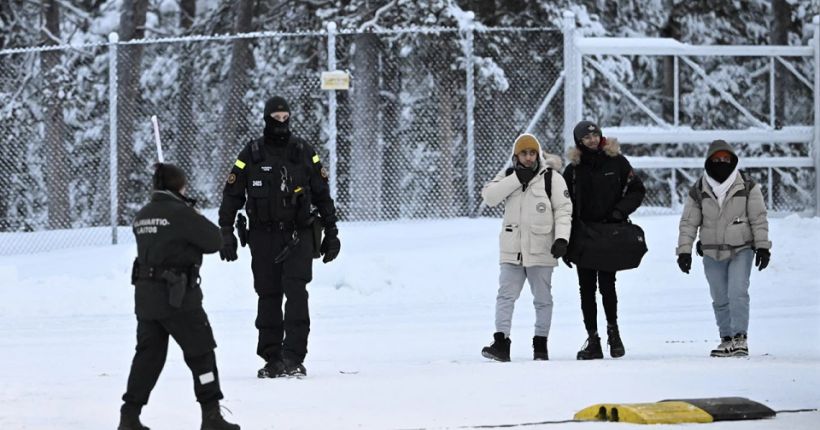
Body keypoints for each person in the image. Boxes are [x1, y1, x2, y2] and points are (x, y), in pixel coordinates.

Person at [218, 96, 341, 378]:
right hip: (262, 236)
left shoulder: (302, 151)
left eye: (285, 118)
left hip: (298, 236)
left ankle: (294, 357)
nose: (281, 123)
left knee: (296, 294)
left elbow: (322, 194)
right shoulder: (251, 153)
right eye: (276, 118)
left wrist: (332, 232)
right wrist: (225, 232)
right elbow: (232, 195)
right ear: (266, 118)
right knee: (268, 296)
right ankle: (273, 358)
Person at [119, 163, 239, 430]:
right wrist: (192, 213)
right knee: (202, 353)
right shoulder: (180, 214)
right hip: (178, 297)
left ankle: (129, 415)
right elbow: (214, 241)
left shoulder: (143, 215)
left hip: (146, 297)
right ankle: (211, 416)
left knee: (147, 358)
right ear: (180, 187)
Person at [479, 134, 573, 362]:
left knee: (542, 299)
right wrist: (515, 179)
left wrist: (562, 239)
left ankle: (540, 344)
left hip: (542, 248)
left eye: (532, 153)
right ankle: (501, 342)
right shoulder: (509, 175)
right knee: (505, 296)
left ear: (538, 155)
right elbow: (489, 196)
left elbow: (563, 210)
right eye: (524, 153)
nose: (529, 157)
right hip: (512, 249)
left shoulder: (552, 178)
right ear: (516, 155)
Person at [676, 140, 771, 357]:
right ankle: (726, 338)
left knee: (737, 292)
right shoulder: (699, 189)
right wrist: (684, 250)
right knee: (719, 296)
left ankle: (740, 337)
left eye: (726, 160)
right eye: (717, 160)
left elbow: (758, 218)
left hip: (741, 249)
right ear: (709, 162)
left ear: (733, 161)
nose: (722, 163)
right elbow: (689, 222)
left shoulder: (747, 186)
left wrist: (763, 246)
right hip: (711, 251)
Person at [562, 120, 646, 360]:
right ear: (579, 141)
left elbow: (636, 190)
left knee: (608, 285)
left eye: (595, 135)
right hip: (583, 236)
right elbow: (563, 206)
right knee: (586, 289)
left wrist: (620, 212)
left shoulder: (617, 162)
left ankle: (614, 334)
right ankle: (594, 339)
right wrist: (566, 242)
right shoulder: (573, 170)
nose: (592, 140)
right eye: (586, 137)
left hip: (610, 234)